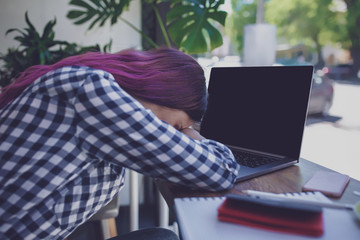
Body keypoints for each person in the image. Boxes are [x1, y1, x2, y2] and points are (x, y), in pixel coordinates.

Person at [0, 47, 240, 239]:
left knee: (161, 235)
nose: (174, 135)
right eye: (178, 127)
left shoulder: (91, 93)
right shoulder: (93, 91)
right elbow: (221, 172)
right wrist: (193, 134)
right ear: (164, 92)